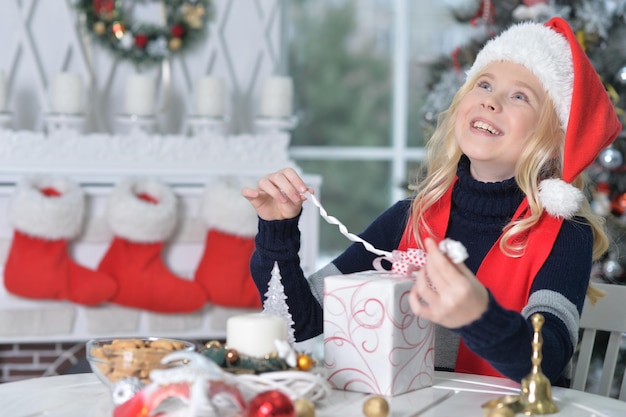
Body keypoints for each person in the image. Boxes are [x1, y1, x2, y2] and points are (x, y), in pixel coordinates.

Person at [241, 17, 621, 387]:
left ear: (555, 138)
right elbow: (303, 319)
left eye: (520, 96)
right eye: (484, 84)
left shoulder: (564, 234)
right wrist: (278, 231)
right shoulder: (408, 219)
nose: (491, 101)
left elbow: (547, 362)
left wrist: (478, 315)